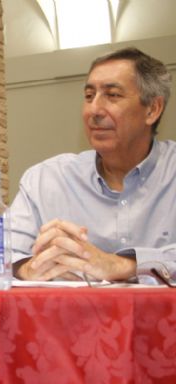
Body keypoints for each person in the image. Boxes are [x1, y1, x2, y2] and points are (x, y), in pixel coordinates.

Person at [11, 47, 175, 282]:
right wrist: (28, 268)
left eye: (113, 95)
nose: (94, 110)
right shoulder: (46, 179)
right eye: (89, 96)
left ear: (152, 109)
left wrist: (124, 265)